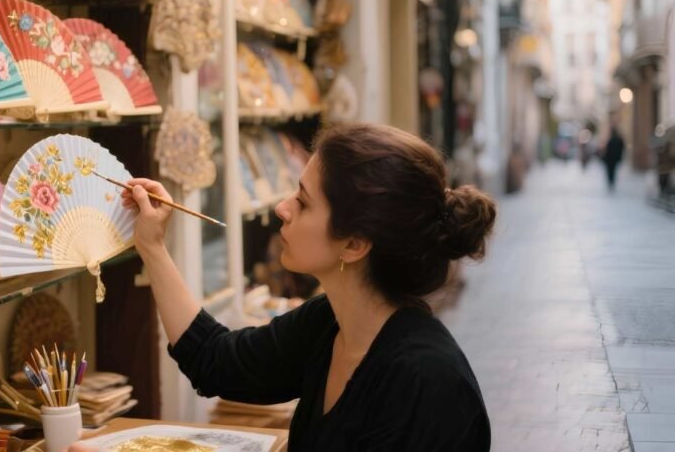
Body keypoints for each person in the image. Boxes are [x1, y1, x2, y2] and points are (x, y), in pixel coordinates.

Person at [96, 122, 497, 451]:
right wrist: (151, 246)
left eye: (303, 202)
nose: (282, 208)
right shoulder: (331, 324)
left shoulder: (427, 382)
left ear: (354, 244)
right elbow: (216, 362)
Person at [602, 127, 626, 192]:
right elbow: (622, 148)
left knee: (610, 171)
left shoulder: (611, 140)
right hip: (614, 158)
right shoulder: (619, 140)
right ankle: (612, 181)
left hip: (610, 158)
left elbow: (607, 149)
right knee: (613, 170)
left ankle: (611, 181)